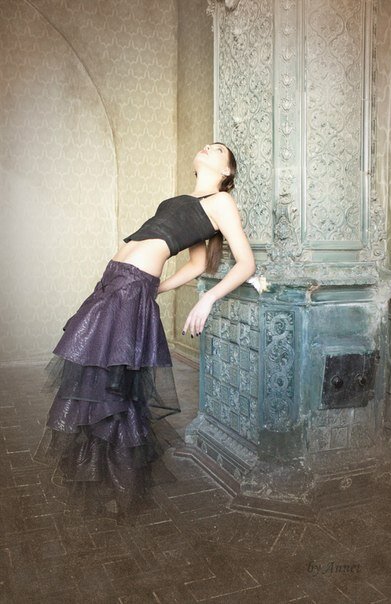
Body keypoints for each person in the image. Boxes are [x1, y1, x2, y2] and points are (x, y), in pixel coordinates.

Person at [33, 142, 255, 524]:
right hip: (114, 285)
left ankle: (124, 492)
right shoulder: (184, 202)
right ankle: (106, 484)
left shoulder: (221, 202)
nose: (208, 147)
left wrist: (207, 300)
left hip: (129, 289)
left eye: (218, 149)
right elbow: (198, 262)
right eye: (208, 145)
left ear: (227, 171)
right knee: (95, 386)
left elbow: (246, 263)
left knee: (115, 394)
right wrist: (158, 288)